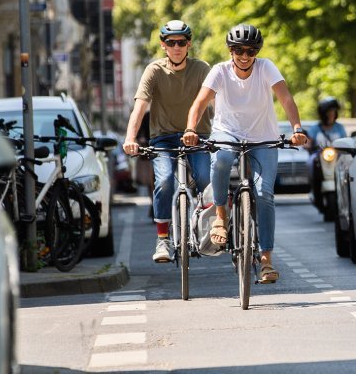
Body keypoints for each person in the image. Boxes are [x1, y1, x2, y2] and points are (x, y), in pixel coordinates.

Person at [182, 23, 308, 284]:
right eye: (238, 49)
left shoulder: (266, 67)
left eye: (250, 51)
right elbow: (199, 103)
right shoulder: (219, 71)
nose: (244, 55)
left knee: (265, 195)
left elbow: (286, 99)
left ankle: (266, 261)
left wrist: (297, 128)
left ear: (256, 52)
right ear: (230, 50)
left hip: (263, 137)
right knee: (223, 158)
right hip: (227, 132)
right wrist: (190, 129)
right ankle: (220, 217)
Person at [123, 20, 213, 263]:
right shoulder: (154, 70)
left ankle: (208, 227)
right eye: (171, 43)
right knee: (163, 180)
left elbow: (217, 102)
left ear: (188, 44)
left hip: (197, 136)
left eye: (181, 42)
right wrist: (130, 138)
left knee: (206, 180)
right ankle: (163, 239)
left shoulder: (202, 68)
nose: (176, 47)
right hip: (163, 139)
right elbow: (139, 108)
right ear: (163, 45)